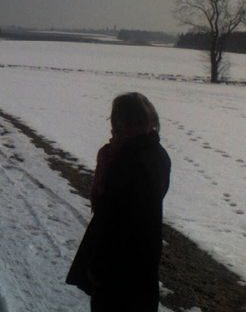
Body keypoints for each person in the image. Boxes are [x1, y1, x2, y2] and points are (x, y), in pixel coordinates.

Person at [66, 92, 171, 312]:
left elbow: (116, 220)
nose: (116, 127)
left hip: (120, 265)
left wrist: (98, 266)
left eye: (122, 120)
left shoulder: (127, 159)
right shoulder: (154, 152)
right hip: (142, 259)